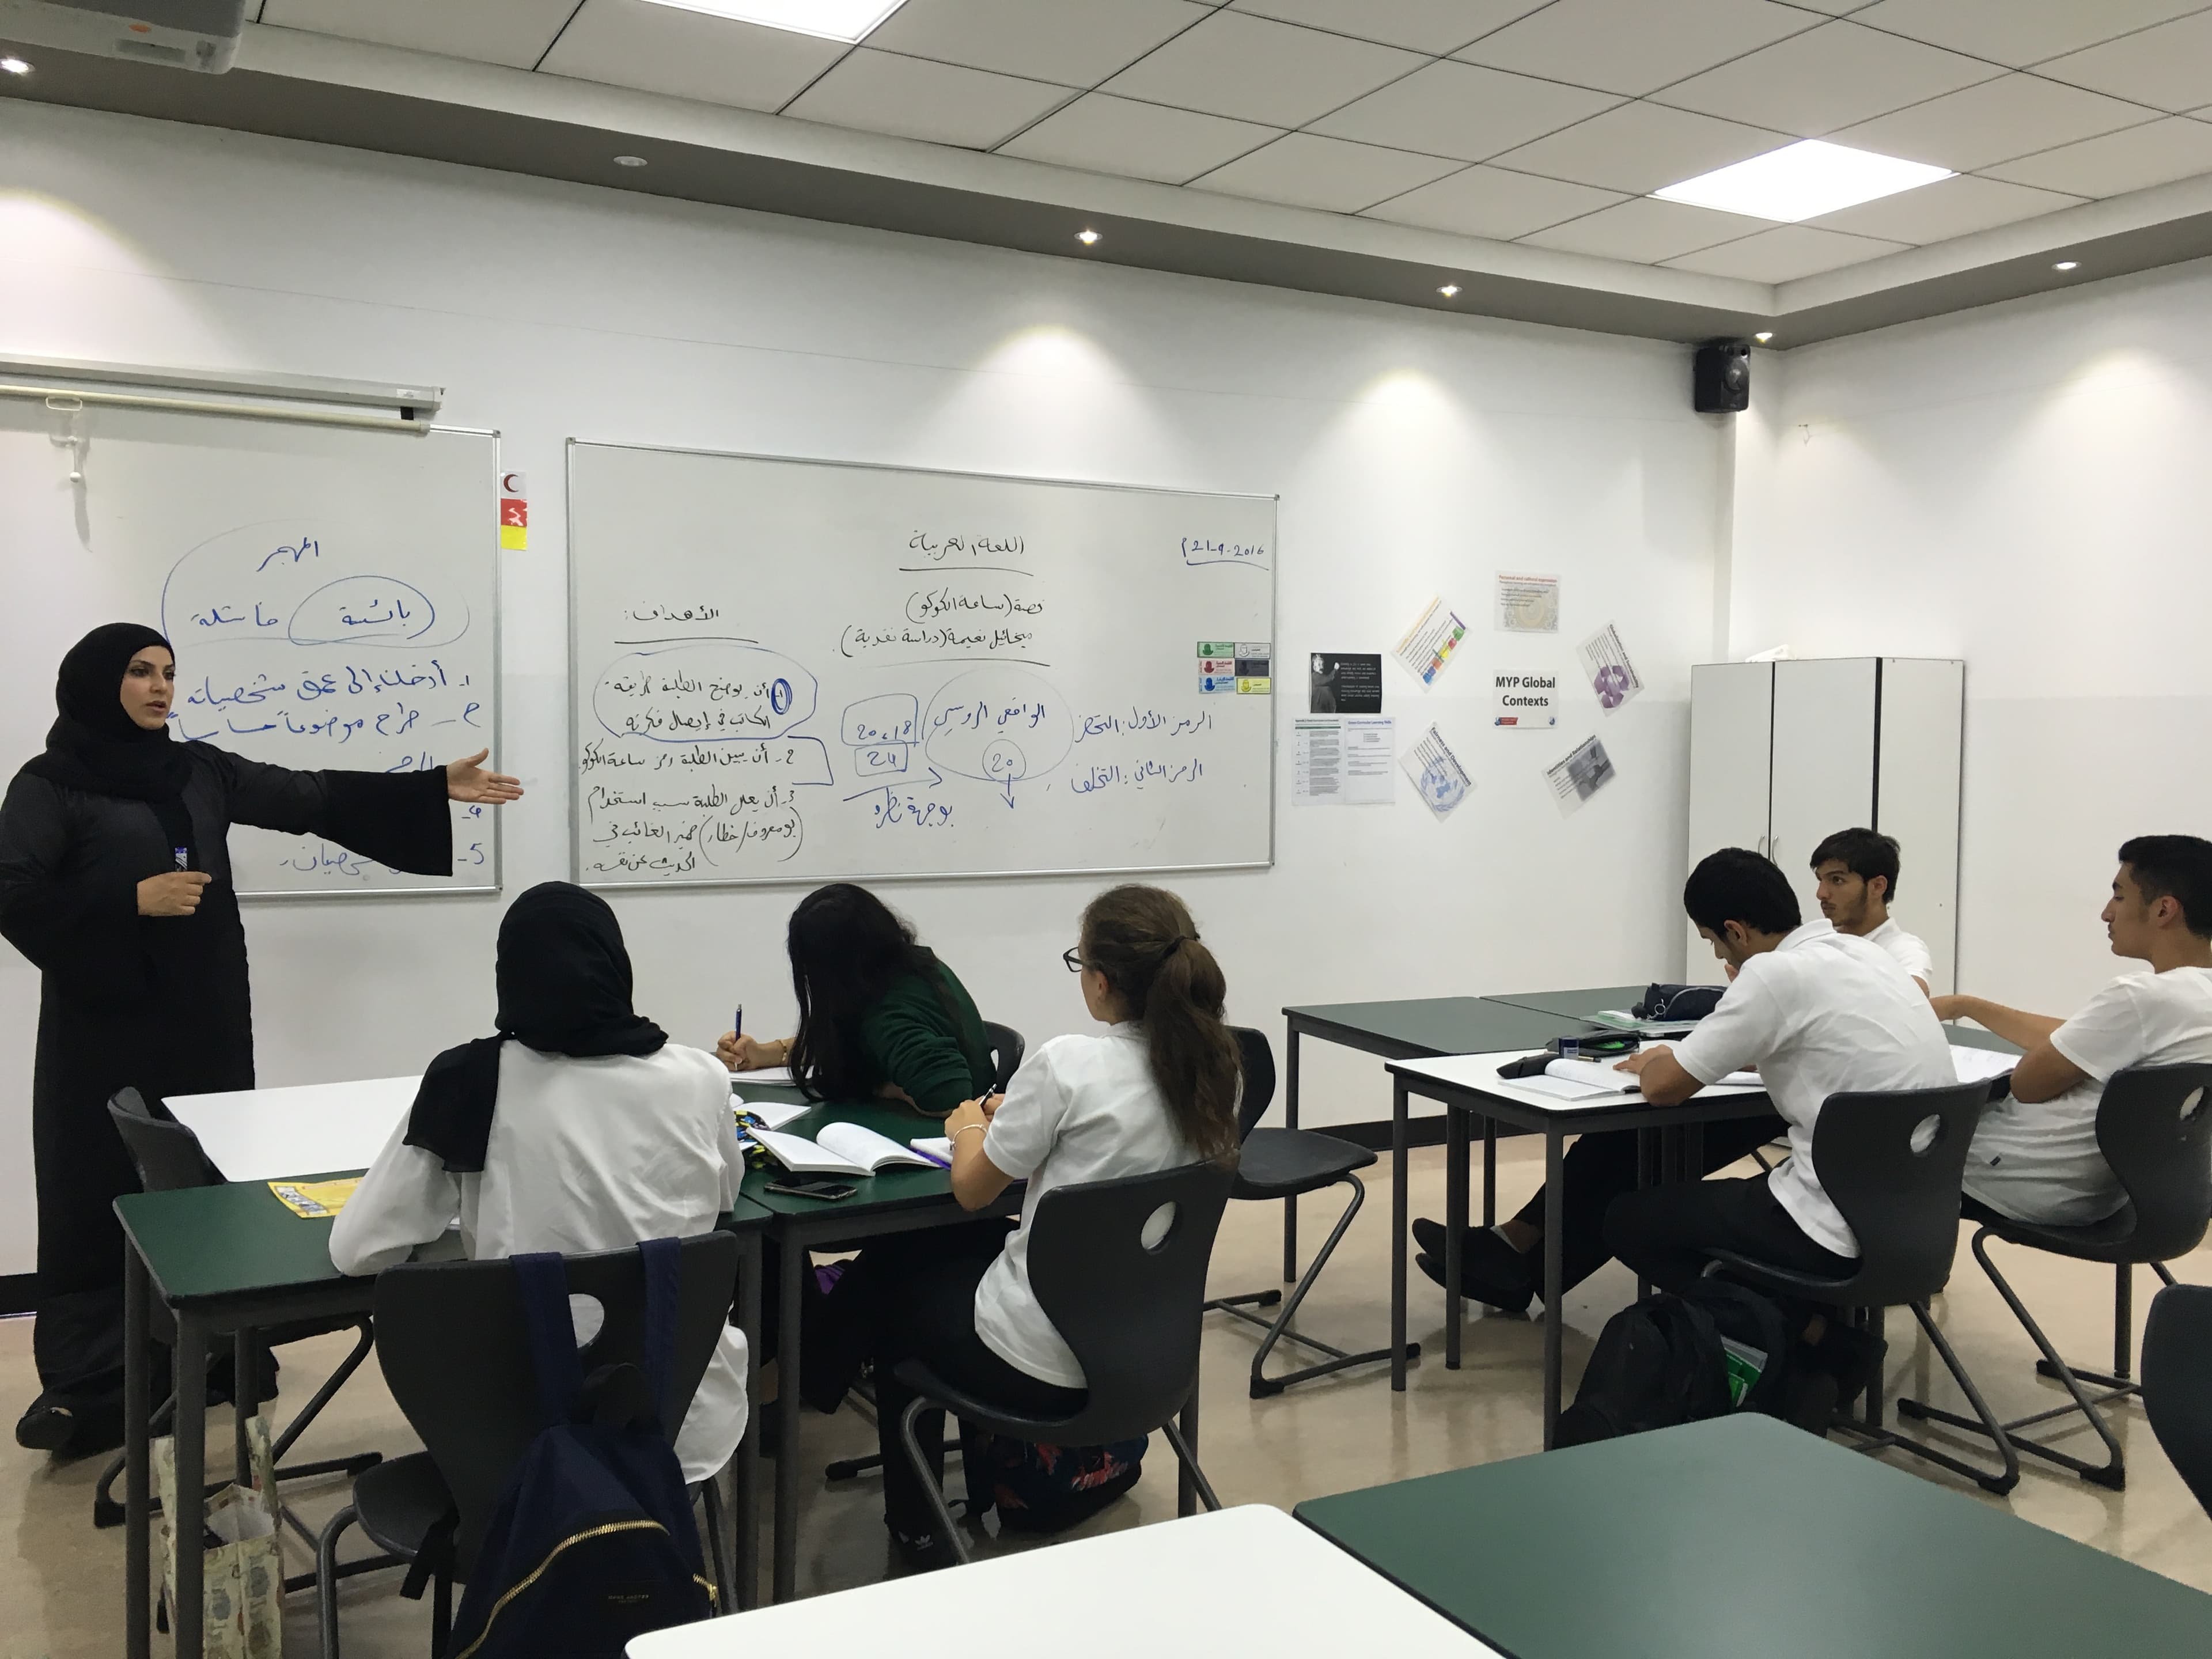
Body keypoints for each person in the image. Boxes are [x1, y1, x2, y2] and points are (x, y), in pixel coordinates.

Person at [0, 624, 520, 1457]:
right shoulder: (50, 786)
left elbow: (308, 796)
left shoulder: (197, 769)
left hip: (203, 1015)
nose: (160, 687)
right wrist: (126, 902)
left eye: (169, 672)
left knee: (208, 1177)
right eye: (140, 673)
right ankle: (90, 1383)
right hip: (104, 1026)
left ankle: (213, 1360)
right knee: (96, 1183)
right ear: (99, 683)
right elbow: (13, 892)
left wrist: (430, 789)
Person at [852, 884, 1240, 1567]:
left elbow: (973, 1190)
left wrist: (971, 1121)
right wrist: (1027, 1113)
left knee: (892, 1292)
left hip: (1040, 1366)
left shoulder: (1068, 1064)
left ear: (1098, 980)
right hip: (1153, 1354)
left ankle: (916, 1534)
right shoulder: (1212, 1069)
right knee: (938, 1261)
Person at [329, 882, 747, 1486]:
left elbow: (358, 1251)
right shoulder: (702, 1077)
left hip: (520, 1432)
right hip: (680, 1416)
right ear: (615, 965)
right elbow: (723, 1201)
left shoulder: (471, 1079)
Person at [1599, 849, 1954, 1403]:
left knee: (1628, 1217)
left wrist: (1655, 1060)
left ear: (1735, 932)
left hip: (1830, 1225)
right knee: (1728, 1216)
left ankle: (1805, 1340)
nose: (1716, 952)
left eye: (1713, 941)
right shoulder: (1867, 955)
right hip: (1919, 1222)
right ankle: (1815, 1344)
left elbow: (1667, 1089)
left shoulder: (1772, 973)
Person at [1934, 836, 2212, 1228]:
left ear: (2164, 909)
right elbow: (2082, 1040)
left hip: (2019, 1181)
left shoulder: (2141, 998)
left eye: (2118, 896)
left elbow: (2028, 1085)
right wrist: (1968, 1006)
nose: (2106, 913)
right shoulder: (2192, 1000)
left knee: (1863, 1145)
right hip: (2113, 1195)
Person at [718, 882, 994, 1118]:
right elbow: (845, 1039)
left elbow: (952, 1098)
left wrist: (888, 1089)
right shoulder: (909, 966)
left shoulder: (888, 1016)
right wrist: (767, 1053)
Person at [1810, 827, 1933, 993]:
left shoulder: (1902, 949)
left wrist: (1959, 1005)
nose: (1821, 894)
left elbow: (1913, 1000)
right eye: (1820, 880)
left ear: (1877, 886)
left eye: (1837, 880)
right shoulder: (1816, 942)